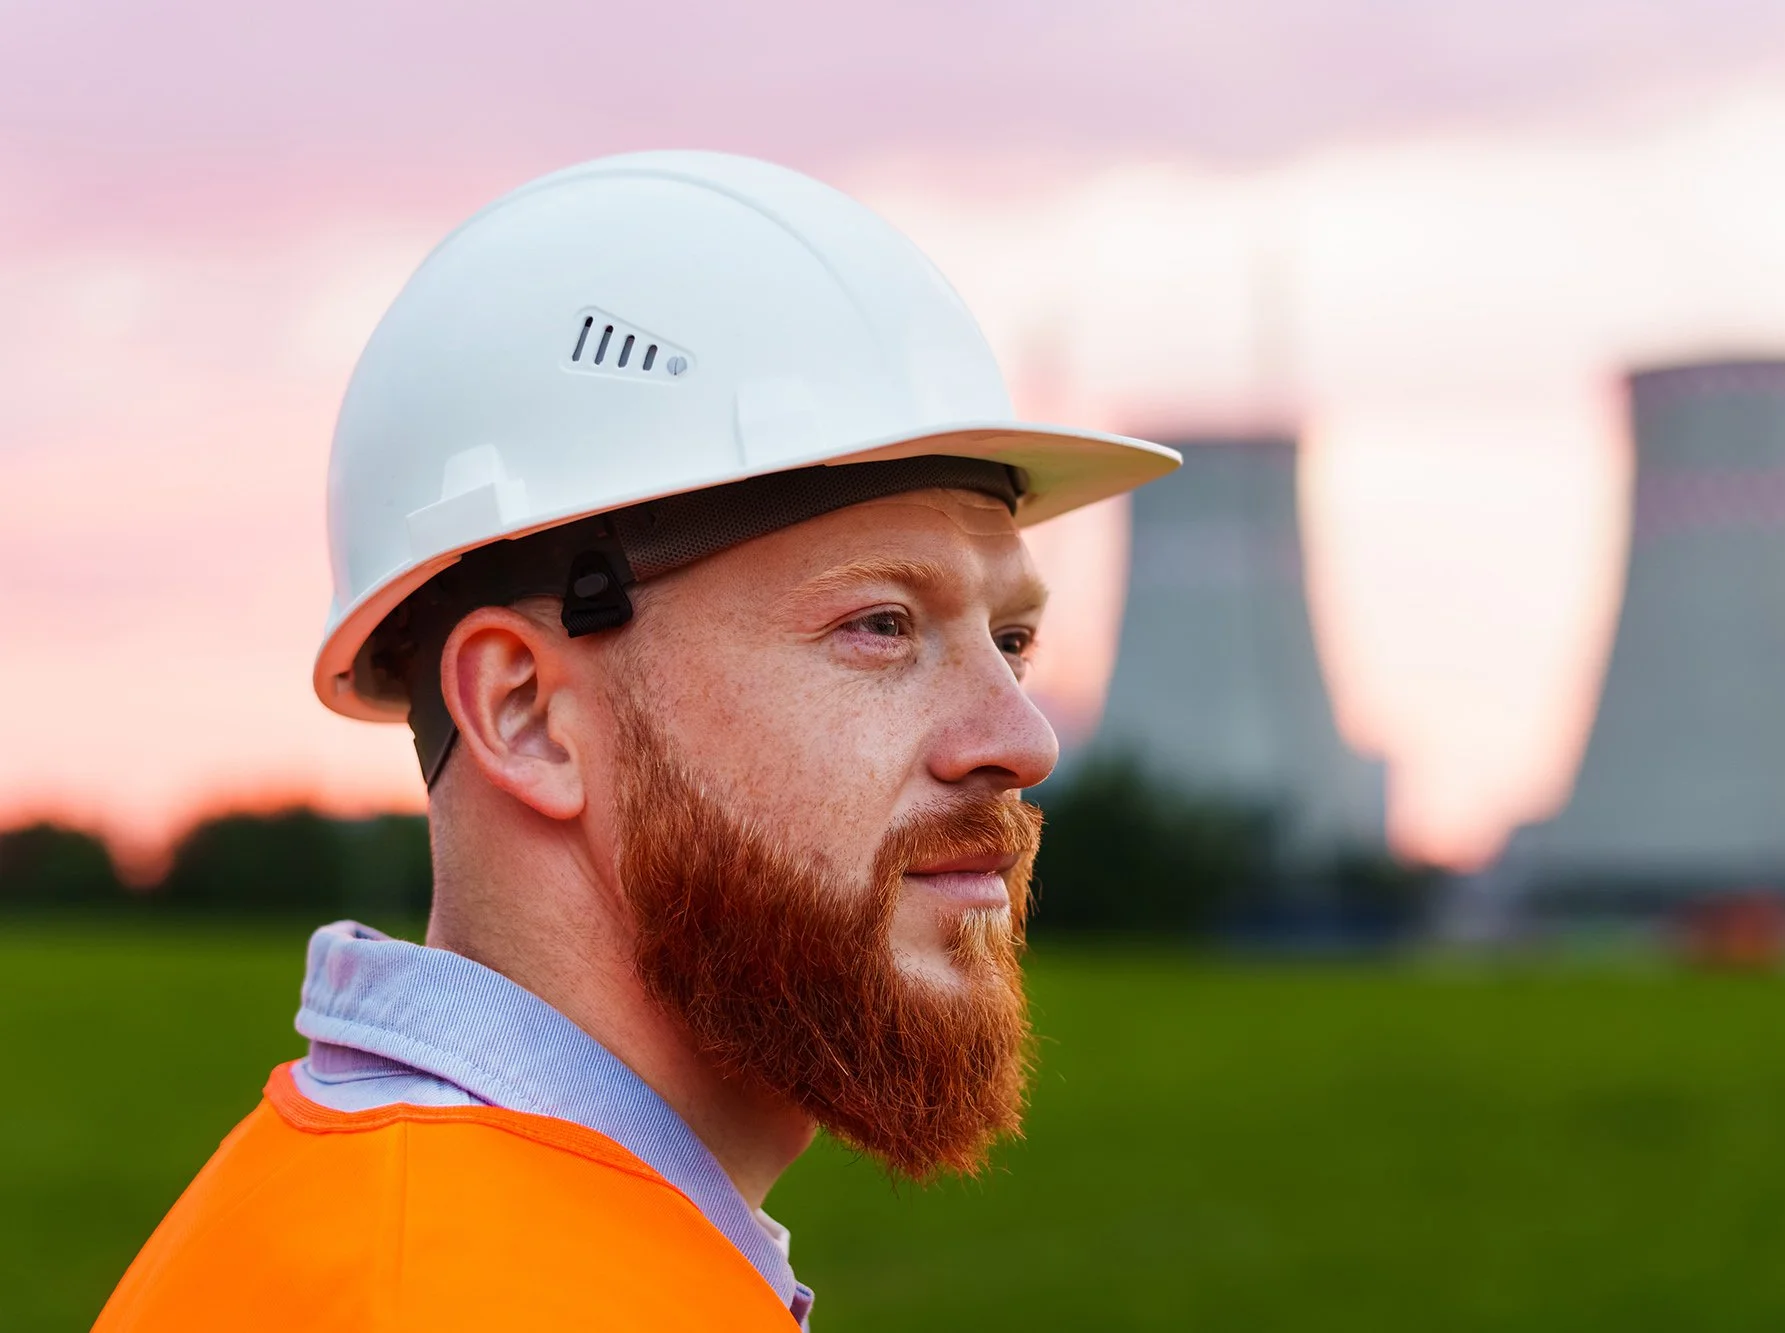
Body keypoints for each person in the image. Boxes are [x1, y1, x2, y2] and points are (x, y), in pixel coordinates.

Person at [94, 152, 1177, 1330]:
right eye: (878, 623)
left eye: (1008, 640)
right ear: (524, 712)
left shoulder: (438, 1226)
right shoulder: (460, 1293)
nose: (1017, 739)